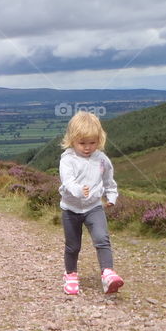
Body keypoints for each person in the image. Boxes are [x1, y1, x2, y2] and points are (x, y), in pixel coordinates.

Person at [57, 111, 124, 295]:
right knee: (73, 246)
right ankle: (70, 275)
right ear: (72, 140)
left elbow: (109, 179)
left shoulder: (101, 159)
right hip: (70, 209)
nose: (87, 148)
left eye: (92, 143)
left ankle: (108, 274)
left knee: (102, 239)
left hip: (94, 206)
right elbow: (68, 181)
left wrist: (111, 196)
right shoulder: (68, 159)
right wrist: (78, 190)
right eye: (82, 143)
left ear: (99, 140)